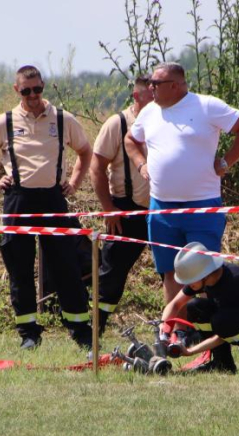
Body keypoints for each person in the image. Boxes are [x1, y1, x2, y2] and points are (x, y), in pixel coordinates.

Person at [0, 65, 93, 351]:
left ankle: (79, 330)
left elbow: (85, 151)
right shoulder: (6, 121)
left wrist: (73, 182)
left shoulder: (63, 119)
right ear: (17, 90)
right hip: (18, 201)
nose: (33, 95)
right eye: (26, 91)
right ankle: (28, 333)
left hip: (53, 200)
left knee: (66, 267)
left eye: (37, 89)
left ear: (43, 86)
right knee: (19, 269)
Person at [124, 62, 239, 303]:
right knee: (170, 272)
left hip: (202, 207)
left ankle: (205, 330)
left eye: (155, 84)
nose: (150, 88)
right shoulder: (149, 111)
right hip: (161, 208)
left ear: (175, 85)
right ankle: (176, 330)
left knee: (205, 273)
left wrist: (226, 162)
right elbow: (131, 140)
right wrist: (141, 165)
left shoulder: (207, 105)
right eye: (150, 83)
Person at [162, 242, 239, 376]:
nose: (188, 284)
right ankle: (222, 363)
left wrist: (190, 351)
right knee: (195, 307)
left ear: (204, 274)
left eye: (191, 279)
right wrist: (164, 333)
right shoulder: (206, 278)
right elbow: (175, 305)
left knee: (221, 321)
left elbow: (222, 336)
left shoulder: (235, 283)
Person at [90, 75, 153, 332]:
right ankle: (96, 328)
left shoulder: (165, 120)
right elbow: (96, 168)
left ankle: (181, 329)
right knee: (112, 273)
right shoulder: (117, 124)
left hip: (163, 208)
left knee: (173, 270)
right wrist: (109, 208)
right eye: (151, 97)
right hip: (126, 209)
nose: (158, 101)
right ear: (137, 97)